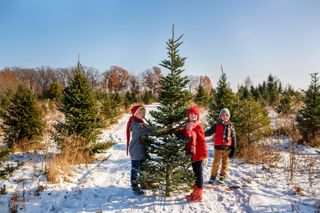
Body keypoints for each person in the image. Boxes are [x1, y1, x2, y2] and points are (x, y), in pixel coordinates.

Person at [126, 105, 154, 195]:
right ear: (135, 114)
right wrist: (161, 131)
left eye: (144, 112)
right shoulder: (137, 125)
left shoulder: (140, 122)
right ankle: (134, 186)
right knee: (135, 169)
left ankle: (143, 183)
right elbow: (149, 131)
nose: (143, 114)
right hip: (135, 150)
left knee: (142, 167)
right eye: (140, 112)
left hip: (141, 149)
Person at [205, 108, 236, 184]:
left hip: (227, 149)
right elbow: (209, 132)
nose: (225, 117)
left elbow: (233, 138)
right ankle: (213, 177)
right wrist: (202, 133)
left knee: (225, 164)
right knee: (216, 163)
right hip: (218, 148)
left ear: (229, 117)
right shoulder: (217, 125)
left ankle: (222, 177)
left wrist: (233, 148)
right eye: (223, 115)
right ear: (220, 116)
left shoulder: (231, 126)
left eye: (227, 115)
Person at [184, 105, 208, 202]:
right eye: (191, 114)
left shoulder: (198, 128)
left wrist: (205, 155)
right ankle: (195, 191)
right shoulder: (188, 126)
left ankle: (198, 195)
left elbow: (203, 142)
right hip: (192, 154)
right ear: (188, 116)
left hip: (198, 155)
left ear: (198, 116)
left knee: (199, 174)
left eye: (195, 114)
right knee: (195, 174)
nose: (193, 116)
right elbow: (185, 135)